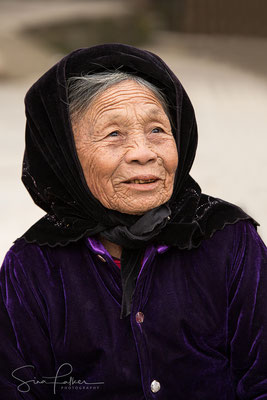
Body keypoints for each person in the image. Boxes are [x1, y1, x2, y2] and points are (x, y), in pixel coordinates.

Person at [0, 43, 266, 399]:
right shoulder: (33, 266)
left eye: (157, 129)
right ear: (64, 154)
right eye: (114, 134)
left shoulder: (227, 239)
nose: (144, 152)